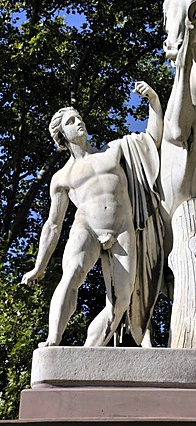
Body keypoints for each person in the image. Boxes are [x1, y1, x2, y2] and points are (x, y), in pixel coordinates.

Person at [21, 81, 163, 348]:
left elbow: (152, 141)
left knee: (121, 299)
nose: (79, 123)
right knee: (72, 273)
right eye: (71, 121)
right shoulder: (62, 177)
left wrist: (153, 101)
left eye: (80, 118)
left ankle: (90, 352)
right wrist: (39, 267)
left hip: (122, 227)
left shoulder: (114, 151)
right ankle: (54, 339)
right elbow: (53, 225)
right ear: (61, 134)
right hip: (86, 227)